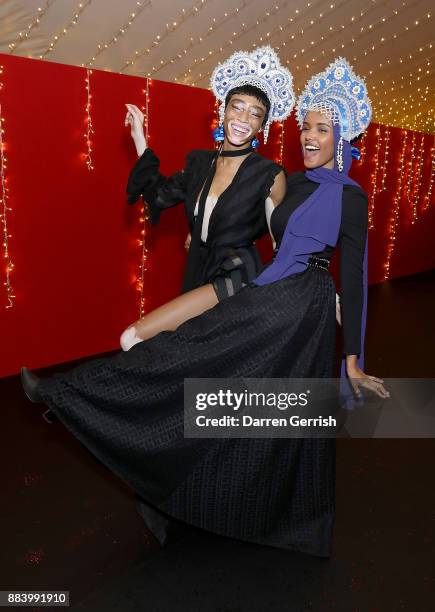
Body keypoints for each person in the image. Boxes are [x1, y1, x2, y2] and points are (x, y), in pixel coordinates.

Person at [22, 57, 388, 558]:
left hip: (283, 302)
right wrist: (189, 207)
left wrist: (353, 355)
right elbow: (269, 233)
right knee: (217, 391)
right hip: (255, 288)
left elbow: (341, 264)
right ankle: (167, 479)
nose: (308, 136)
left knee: (251, 404)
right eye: (305, 126)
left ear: (341, 138)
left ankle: (77, 399)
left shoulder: (335, 192)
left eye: (321, 129)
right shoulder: (284, 180)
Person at [121, 46, 295, 350]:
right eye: (237, 107)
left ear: (262, 126)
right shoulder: (200, 164)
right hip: (197, 269)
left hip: (235, 275)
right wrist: (139, 139)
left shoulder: (268, 174)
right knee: (192, 357)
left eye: (255, 114)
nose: (243, 118)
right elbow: (159, 195)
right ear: (223, 110)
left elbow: (285, 244)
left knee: (133, 338)